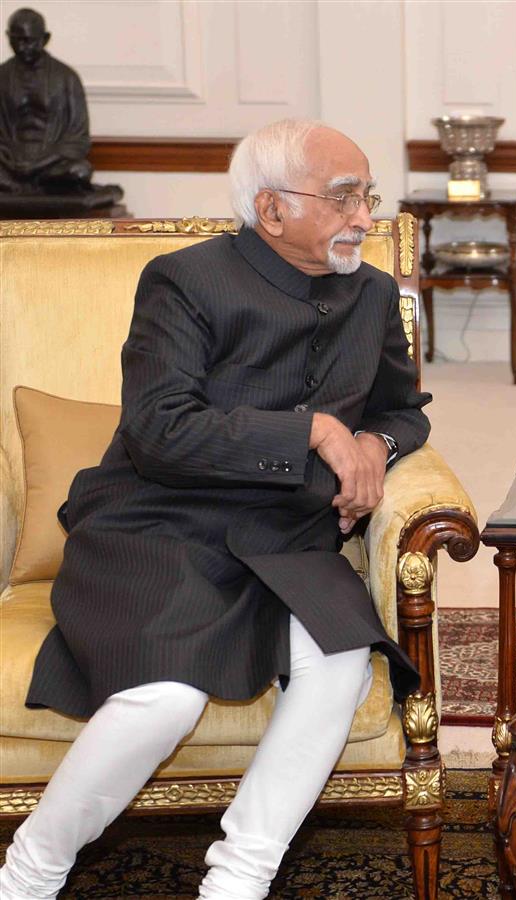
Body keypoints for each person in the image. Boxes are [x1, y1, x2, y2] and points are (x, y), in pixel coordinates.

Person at [0, 118, 429, 900]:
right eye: (342, 199)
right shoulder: (186, 281)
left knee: (336, 663)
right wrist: (317, 431)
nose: (365, 218)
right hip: (159, 523)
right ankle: (29, 874)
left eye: (368, 196)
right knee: (164, 698)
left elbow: (406, 411)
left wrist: (374, 445)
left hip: (288, 539)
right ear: (271, 210)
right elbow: (161, 429)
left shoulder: (371, 294)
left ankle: (238, 880)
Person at [0, 8, 94, 193]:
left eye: (29, 41)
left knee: (80, 171)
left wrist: (37, 165)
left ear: (45, 38)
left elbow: (78, 139)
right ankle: (22, 187)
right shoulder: (1, 76)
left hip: (51, 165)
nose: (22, 47)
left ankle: (23, 187)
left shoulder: (67, 78)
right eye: (16, 40)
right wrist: (10, 161)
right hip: (9, 164)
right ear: (8, 36)